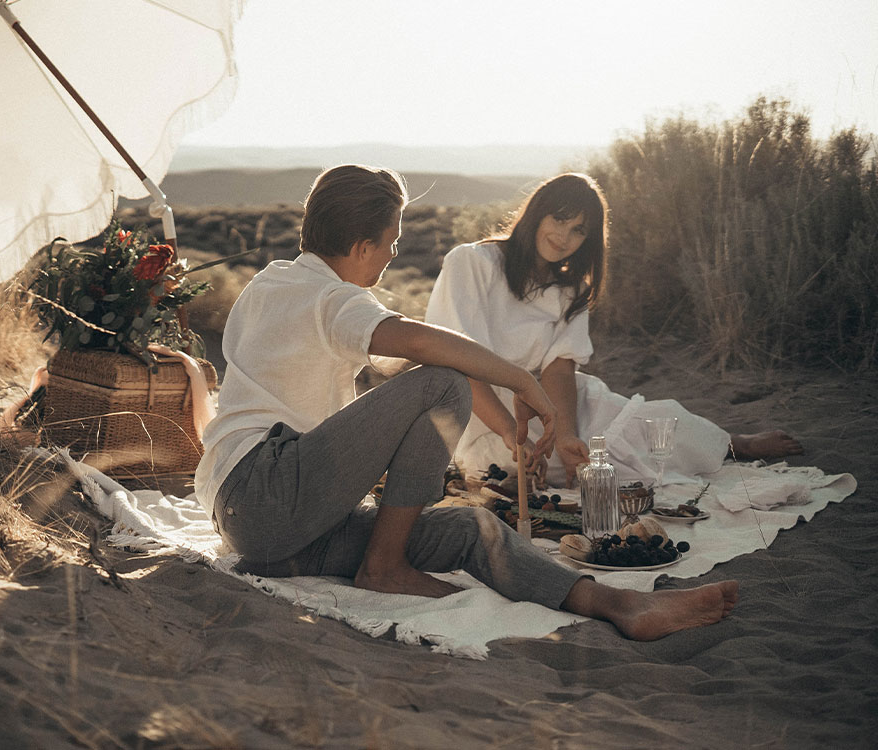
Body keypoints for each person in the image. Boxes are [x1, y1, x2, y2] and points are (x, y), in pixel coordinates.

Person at [194, 164, 738, 639]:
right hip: (265, 490)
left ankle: (619, 604)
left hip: (277, 532)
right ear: (362, 248)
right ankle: (384, 566)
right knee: (444, 382)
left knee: (466, 527)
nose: (393, 255)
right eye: (391, 243)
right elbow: (423, 346)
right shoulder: (328, 297)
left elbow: (384, 377)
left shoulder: (271, 285)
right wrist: (522, 384)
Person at [425, 172, 803, 488]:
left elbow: (559, 369)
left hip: (551, 404)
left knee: (642, 428)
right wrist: (512, 432)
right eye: (559, 219)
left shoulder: (570, 288)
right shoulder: (472, 262)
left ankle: (731, 445)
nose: (564, 237)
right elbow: (459, 362)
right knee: (525, 468)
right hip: (478, 408)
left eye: (578, 231)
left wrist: (565, 433)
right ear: (536, 213)